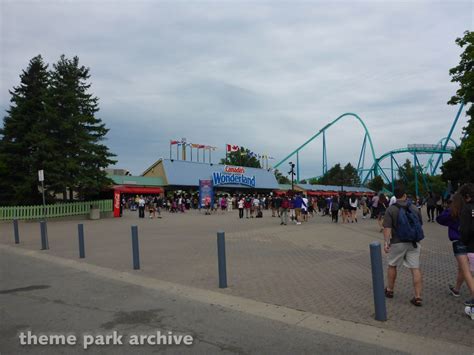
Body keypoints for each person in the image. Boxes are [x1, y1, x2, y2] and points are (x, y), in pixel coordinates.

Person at [383, 186, 424, 307]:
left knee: (392, 265)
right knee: (415, 268)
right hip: (414, 242)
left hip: (397, 242)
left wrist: (386, 243)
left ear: (395, 196)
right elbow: (420, 224)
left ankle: (390, 290)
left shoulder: (390, 209)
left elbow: (387, 228)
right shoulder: (414, 208)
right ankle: (417, 296)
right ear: (405, 195)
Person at [436, 193, 474, 301]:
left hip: (459, 242)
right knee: (462, 268)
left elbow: (439, 219)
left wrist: (450, 209)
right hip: (470, 242)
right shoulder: (470, 209)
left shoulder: (453, 212)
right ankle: (456, 289)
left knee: (466, 270)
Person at [459, 183, 474, 307]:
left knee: (469, 272)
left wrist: (463, 242)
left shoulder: (467, 208)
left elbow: (465, 230)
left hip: (472, 246)